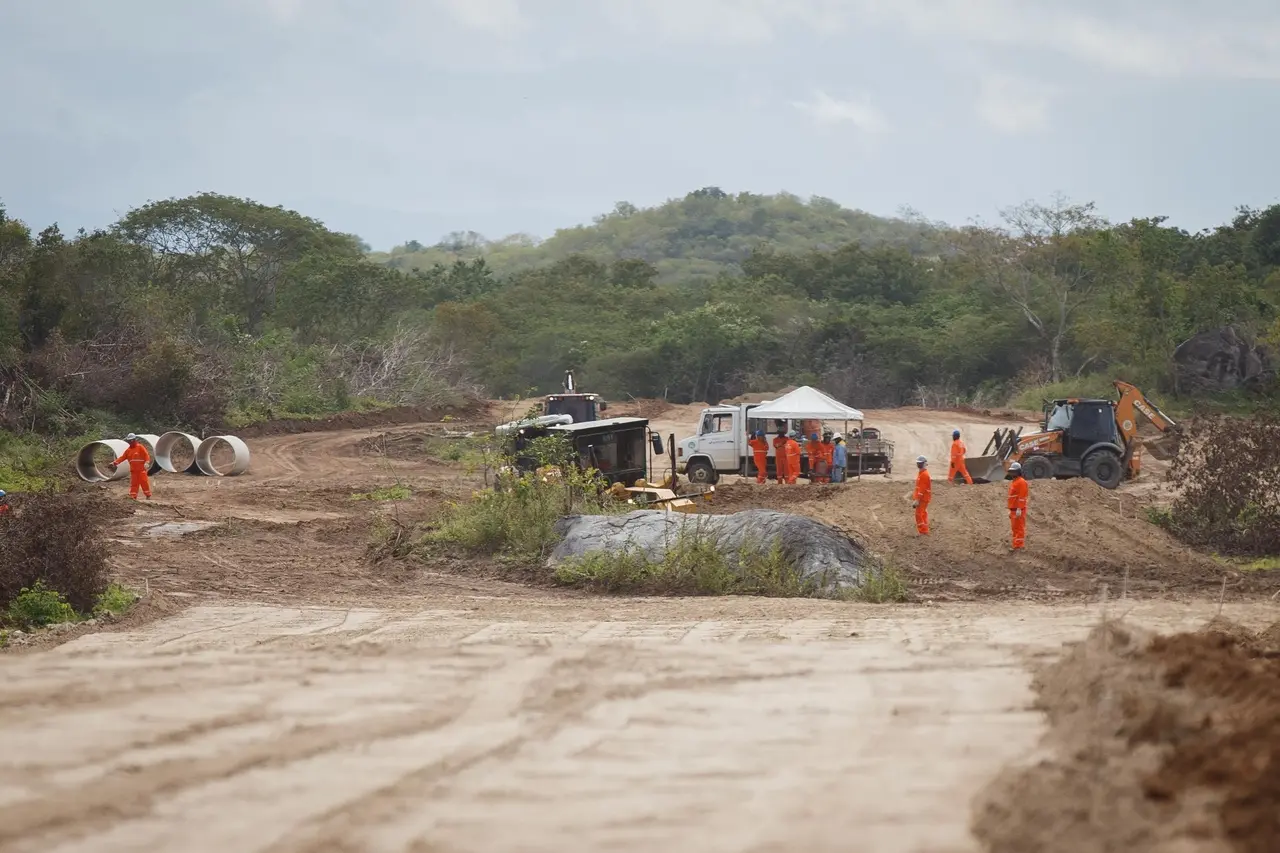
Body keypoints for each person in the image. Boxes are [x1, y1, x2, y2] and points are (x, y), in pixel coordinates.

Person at [112, 433, 153, 500]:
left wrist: (147, 462)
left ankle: (148, 495)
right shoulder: (128, 450)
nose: (131, 442)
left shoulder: (140, 447)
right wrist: (115, 462)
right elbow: (122, 457)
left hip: (141, 469)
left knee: (144, 482)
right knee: (134, 484)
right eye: (129, 441)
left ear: (135, 440)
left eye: (132, 440)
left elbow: (146, 455)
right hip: (134, 470)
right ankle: (133, 496)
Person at [1007, 460, 1028, 550]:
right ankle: (1016, 544)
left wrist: (1019, 508)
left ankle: (1019, 546)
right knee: (1014, 528)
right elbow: (1012, 497)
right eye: (1011, 471)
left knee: (1019, 528)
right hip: (1013, 509)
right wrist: (1010, 510)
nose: (1012, 473)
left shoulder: (1021, 482)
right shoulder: (1014, 482)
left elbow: (1022, 497)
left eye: (1014, 471)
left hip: (1018, 509)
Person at [912, 454, 931, 535]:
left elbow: (922, 489)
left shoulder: (924, 475)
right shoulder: (922, 473)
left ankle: (923, 531)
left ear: (924, 463)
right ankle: (925, 530)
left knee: (919, 514)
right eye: (918, 463)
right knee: (923, 513)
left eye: (920, 463)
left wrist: (917, 500)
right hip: (923, 498)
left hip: (922, 498)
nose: (918, 465)